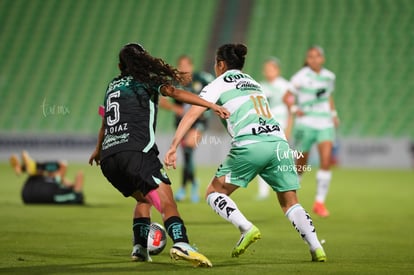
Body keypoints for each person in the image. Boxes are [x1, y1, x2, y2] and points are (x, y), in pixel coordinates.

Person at [164, 44, 327, 262]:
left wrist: (174, 144)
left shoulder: (219, 83)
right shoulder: (253, 82)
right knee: (290, 202)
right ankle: (317, 248)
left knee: (214, 192)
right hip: (279, 143)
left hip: (250, 143)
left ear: (220, 64)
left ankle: (246, 227)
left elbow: (193, 112)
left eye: (215, 63)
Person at [88, 43, 229, 267]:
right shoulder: (147, 79)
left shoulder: (112, 85)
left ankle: (140, 248)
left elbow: (104, 119)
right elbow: (175, 93)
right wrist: (209, 104)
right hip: (137, 154)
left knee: (144, 198)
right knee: (166, 202)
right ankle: (182, 243)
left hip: (109, 159)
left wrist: (97, 149)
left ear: (119, 66)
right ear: (144, 60)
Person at [283, 46, 339, 217]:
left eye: (317, 56)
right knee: (301, 165)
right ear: (307, 59)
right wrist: (293, 108)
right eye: (310, 57)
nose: (314, 59)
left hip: (324, 123)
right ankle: (293, 199)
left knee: (326, 160)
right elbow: (287, 96)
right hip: (305, 123)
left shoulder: (329, 77)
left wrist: (334, 114)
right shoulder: (300, 76)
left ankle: (319, 202)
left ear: (322, 59)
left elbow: (328, 96)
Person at [160, 55, 214, 203]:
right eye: (180, 65)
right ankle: (190, 183)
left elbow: (216, 89)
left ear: (191, 66)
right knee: (186, 154)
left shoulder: (201, 78)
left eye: (186, 65)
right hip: (181, 123)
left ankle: (189, 187)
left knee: (189, 147)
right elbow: (161, 100)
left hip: (198, 121)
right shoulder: (173, 82)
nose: (183, 68)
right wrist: (174, 108)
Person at [256, 57, 295, 200]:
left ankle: (286, 187)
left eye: (270, 68)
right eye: (265, 69)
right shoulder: (260, 86)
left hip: (281, 124)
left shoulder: (286, 86)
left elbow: (291, 108)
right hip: (265, 126)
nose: (267, 71)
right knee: (263, 157)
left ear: (277, 70)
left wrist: (289, 127)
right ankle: (263, 191)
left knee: (282, 157)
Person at [9, 151, 84, 204]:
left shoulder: (75, 196)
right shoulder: (67, 190)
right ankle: (25, 167)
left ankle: (28, 167)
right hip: (30, 195)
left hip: (37, 193)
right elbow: (70, 181)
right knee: (50, 174)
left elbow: (79, 174)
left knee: (62, 165)